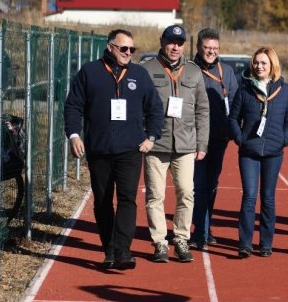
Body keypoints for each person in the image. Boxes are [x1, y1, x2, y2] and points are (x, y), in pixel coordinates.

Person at [64, 29, 163, 271]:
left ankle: (123, 251)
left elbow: (155, 108)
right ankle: (109, 248)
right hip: (99, 150)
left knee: (128, 199)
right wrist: (74, 135)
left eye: (132, 49)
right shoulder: (90, 72)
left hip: (130, 149)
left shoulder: (139, 74)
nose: (128, 53)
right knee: (102, 202)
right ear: (110, 47)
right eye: (124, 48)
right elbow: (73, 106)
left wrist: (151, 137)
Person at [141, 24, 210, 263]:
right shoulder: (147, 69)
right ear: (162, 41)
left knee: (186, 193)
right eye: (171, 42)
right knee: (155, 196)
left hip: (185, 145)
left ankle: (180, 237)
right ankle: (160, 242)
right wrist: (143, 136)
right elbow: (138, 106)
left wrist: (202, 144)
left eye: (180, 44)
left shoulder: (193, 72)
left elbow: (203, 109)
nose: (175, 47)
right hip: (156, 145)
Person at [228, 47, 288, 258]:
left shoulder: (284, 91)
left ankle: (266, 243)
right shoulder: (244, 89)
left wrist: (284, 139)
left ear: (272, 65)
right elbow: (233, 118)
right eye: (256, 63)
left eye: (263, 63)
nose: (259, 66)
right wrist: (241, 139)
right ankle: (245, 244)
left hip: (274, 152)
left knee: (268, 198)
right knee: (249, 197)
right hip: (249, 152)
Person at [190, 28, 239, 250]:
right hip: (193, 138)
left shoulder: (226, 71)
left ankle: (204, 228)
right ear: (199, 48)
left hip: (219, 139)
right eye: (207, 48)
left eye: (215, 48)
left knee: (211, 185)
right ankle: (199, 231)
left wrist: (233, 131)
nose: (211, 52)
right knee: (197, 186)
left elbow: (236, 103)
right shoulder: (189, 69)